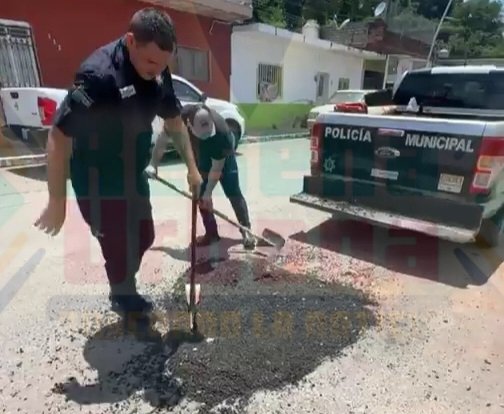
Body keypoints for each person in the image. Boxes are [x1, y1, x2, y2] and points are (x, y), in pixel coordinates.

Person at [33, 8, 202, 315]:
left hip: (131, 173)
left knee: (145, 235)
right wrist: (57, 201)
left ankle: (123, 282)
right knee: (117, 245)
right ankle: (123, 296)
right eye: (150, 62)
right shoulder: (98, 77)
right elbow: (59, 138)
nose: (157, 70)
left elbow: (174, 120)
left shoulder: (158, 68)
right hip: (96, 177)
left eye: (163, 64)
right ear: (130, 41)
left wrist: (192, 167)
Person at [147, 103, 256, 250]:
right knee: (199, 193)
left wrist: (209, 192)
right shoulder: (180, 117)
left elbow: (217, 167)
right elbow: (164, 136)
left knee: (233, 191)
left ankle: (246, 229)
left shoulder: (221, 132)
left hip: (223, 156)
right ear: (189, 125)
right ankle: (212, 234)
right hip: (201, 158)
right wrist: (153, 164)